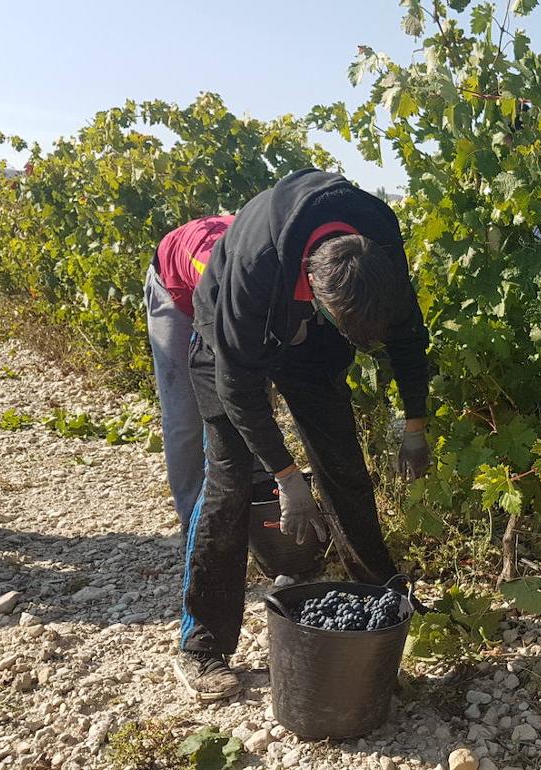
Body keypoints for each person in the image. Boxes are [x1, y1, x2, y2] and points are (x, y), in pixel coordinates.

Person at [174, 169, 432, 701]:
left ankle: (380, 612)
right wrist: (288, 480)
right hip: (229, 340)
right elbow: (239, 389)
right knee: (229, 485)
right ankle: (201, 646)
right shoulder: (255, 262)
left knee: (346, 473)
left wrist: (415, 427)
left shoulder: (379, 245)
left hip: (311, 339)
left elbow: (409, 339)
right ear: (314, 290)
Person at [144, 214, 235, 536]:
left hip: (220, 278)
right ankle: (193, 520)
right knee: (184, 413)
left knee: (247, 405)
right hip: (174, 288)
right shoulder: (214, 278)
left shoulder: (270, 276)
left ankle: (246, 504)